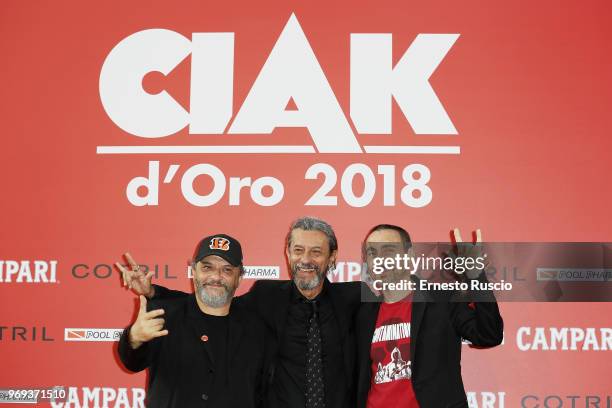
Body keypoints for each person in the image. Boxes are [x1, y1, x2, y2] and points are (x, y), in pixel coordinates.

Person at [119, 217, 362, 408]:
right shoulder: (266, 294)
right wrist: (153, 293)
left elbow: (392, 303)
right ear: (288, 254)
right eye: (298, 250)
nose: (305, 259)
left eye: (316, 252)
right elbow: (211, 302)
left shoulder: (356, 296)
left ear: (332, 257)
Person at [355, 225, 504, 408]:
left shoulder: (443, 299)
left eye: (388, 250)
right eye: (372, 253)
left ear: (409, 255)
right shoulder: (363, 314)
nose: (379, 259)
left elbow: (490, 335)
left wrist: (476, 277)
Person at [116, 234, 266, 408]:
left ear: (239, 277)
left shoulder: (256, 329)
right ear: (194, 271)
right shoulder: (163, 315)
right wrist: (134, 338)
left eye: (227, 270)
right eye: (207, 268)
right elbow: (132, 363)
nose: (216, 277)